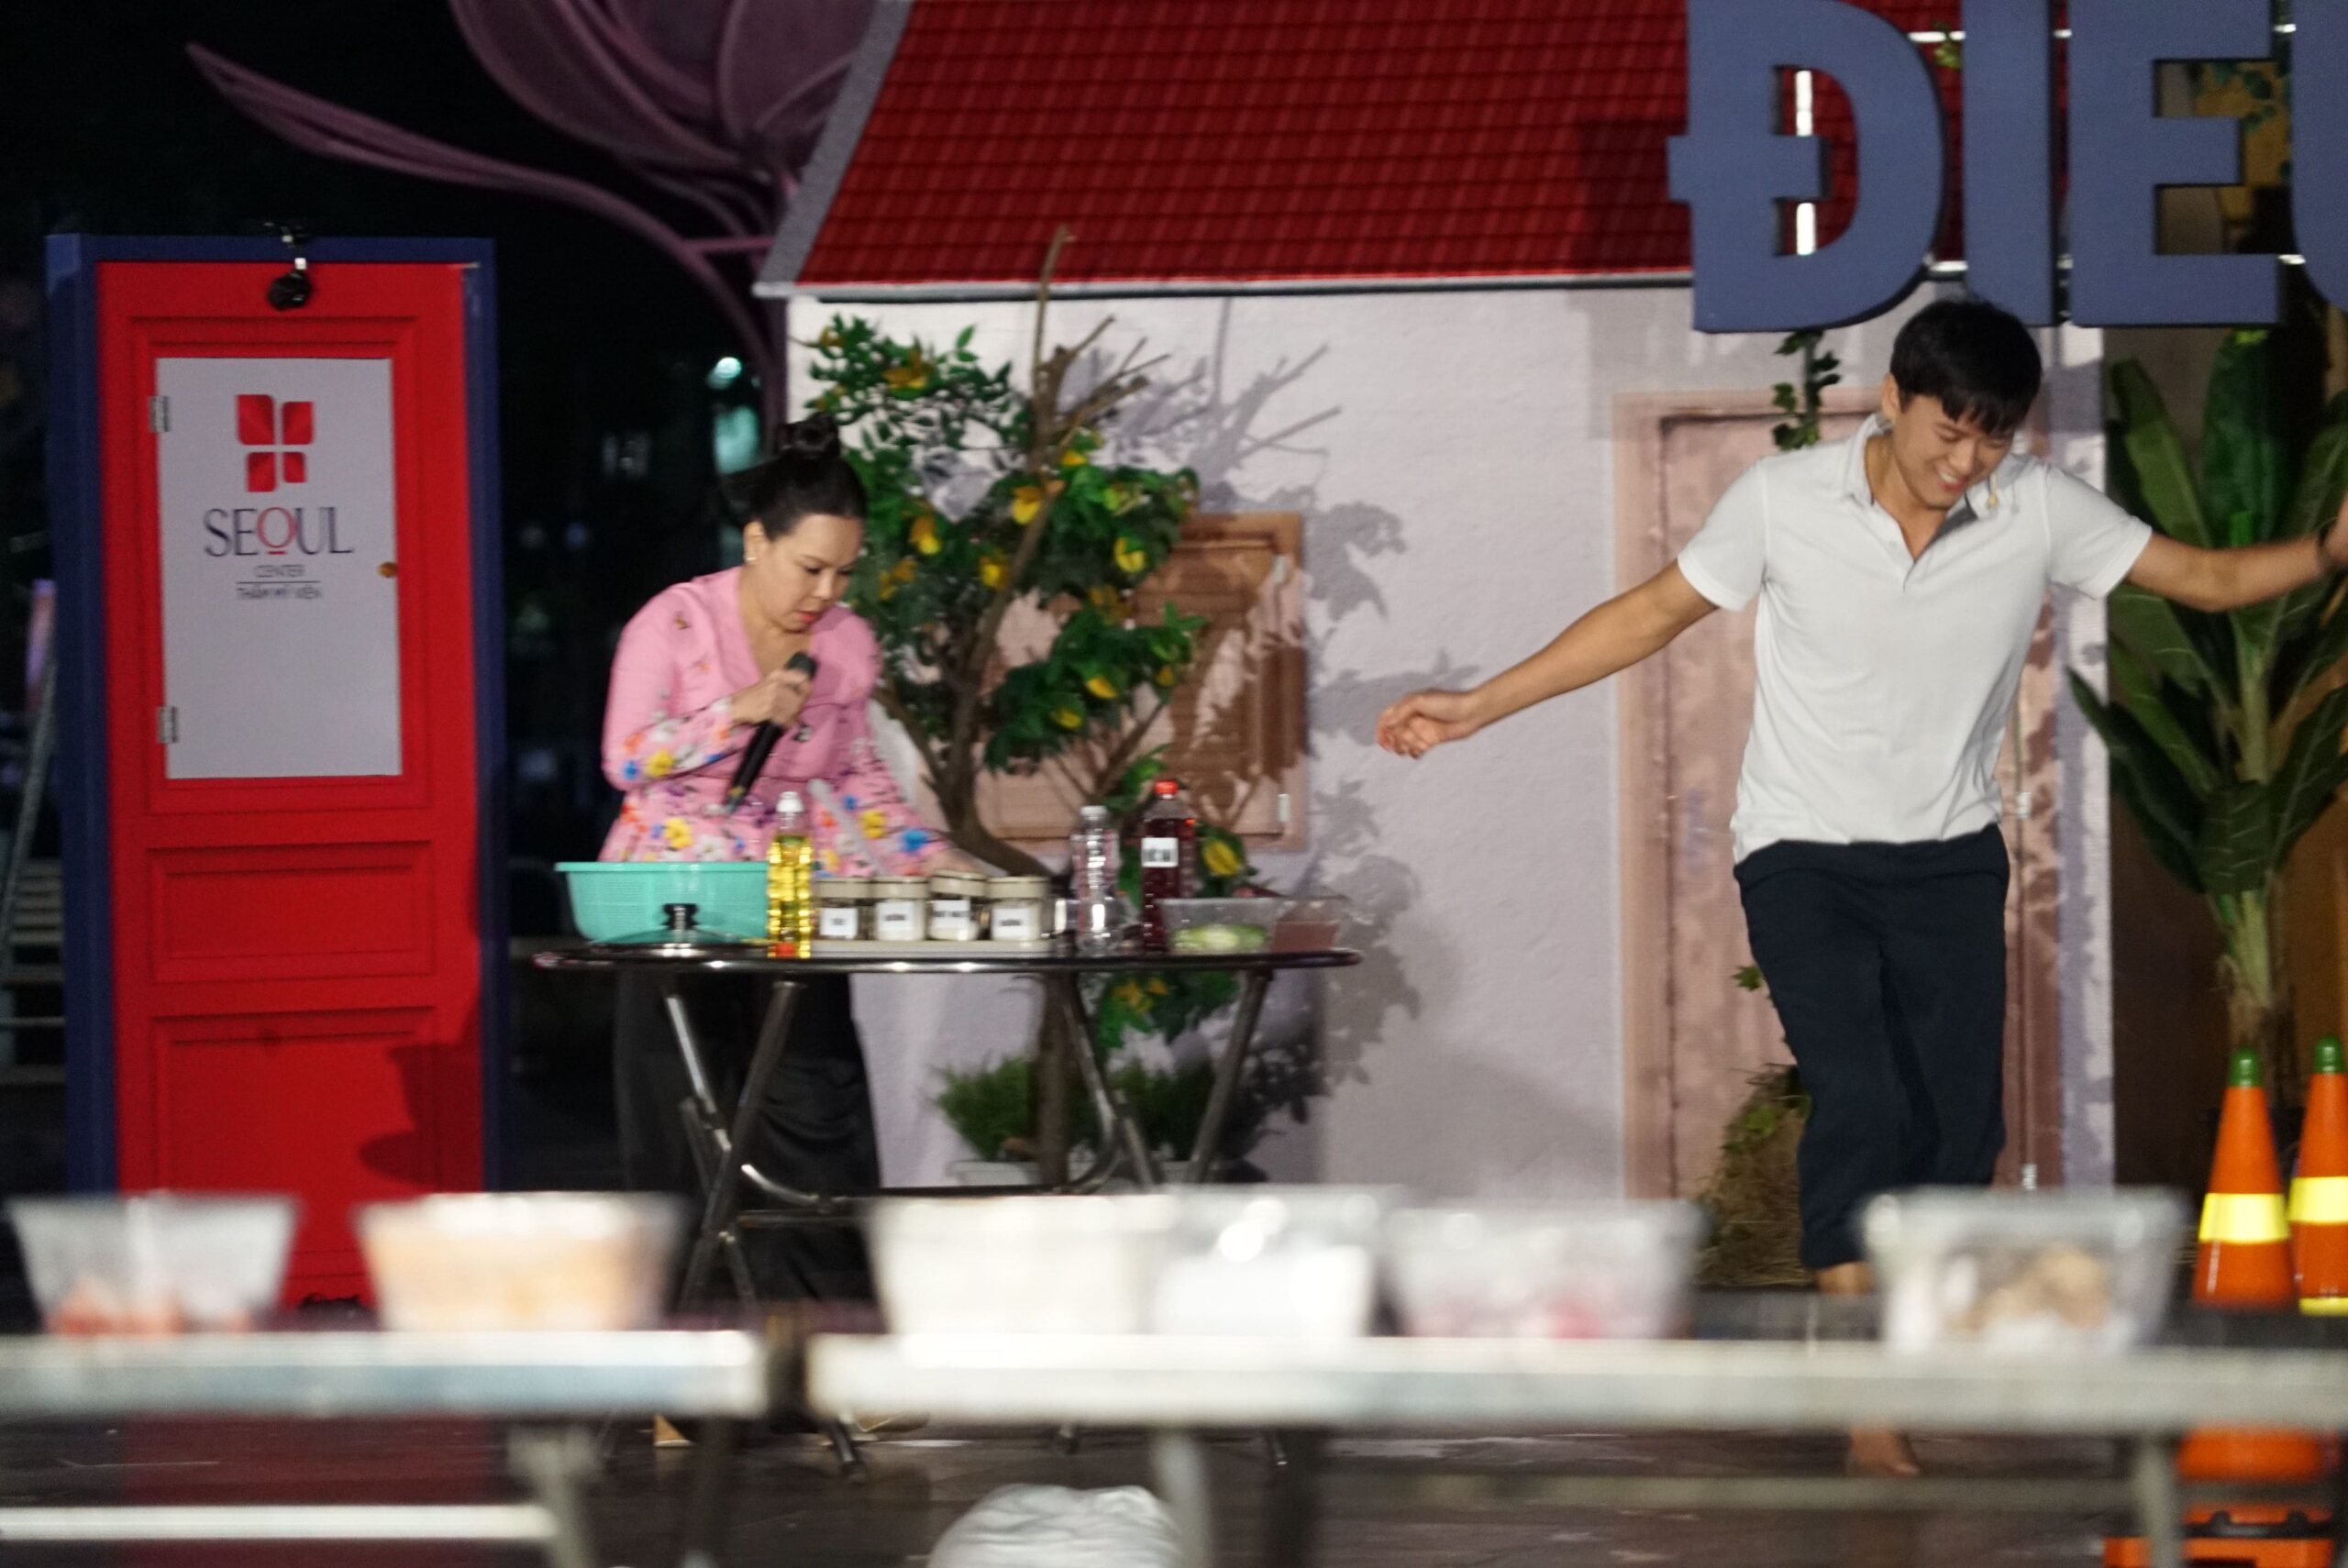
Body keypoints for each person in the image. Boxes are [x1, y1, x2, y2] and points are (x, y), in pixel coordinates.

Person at [1377, 297, 2348, 1474]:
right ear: (1892, 399)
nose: (1966, 461)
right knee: (1862, 1097)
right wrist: (1478, 705)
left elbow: (2201, 576)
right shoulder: (1782, 500)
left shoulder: (2035, 506)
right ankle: (1868, 1400)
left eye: (1992, 438)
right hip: (1802, 856)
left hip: (1948, 859)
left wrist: (2328, 551)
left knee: (1957, 1129)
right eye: (1949, 431)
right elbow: (1651, 614)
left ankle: (1899, 1340)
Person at [600, 414, 954, 1304]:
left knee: (816, 1111)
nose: (825, 593)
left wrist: (933, 861)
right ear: (757, 540)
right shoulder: (674, 621)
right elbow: (625, 758)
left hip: (792, 899)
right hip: (675, 903)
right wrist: (738, 710)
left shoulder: (847, 644)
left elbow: (858, 776)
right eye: (810, 568)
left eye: (844, 573)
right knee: (687, 1129)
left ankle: (828, 1339)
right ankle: (690, 1349)